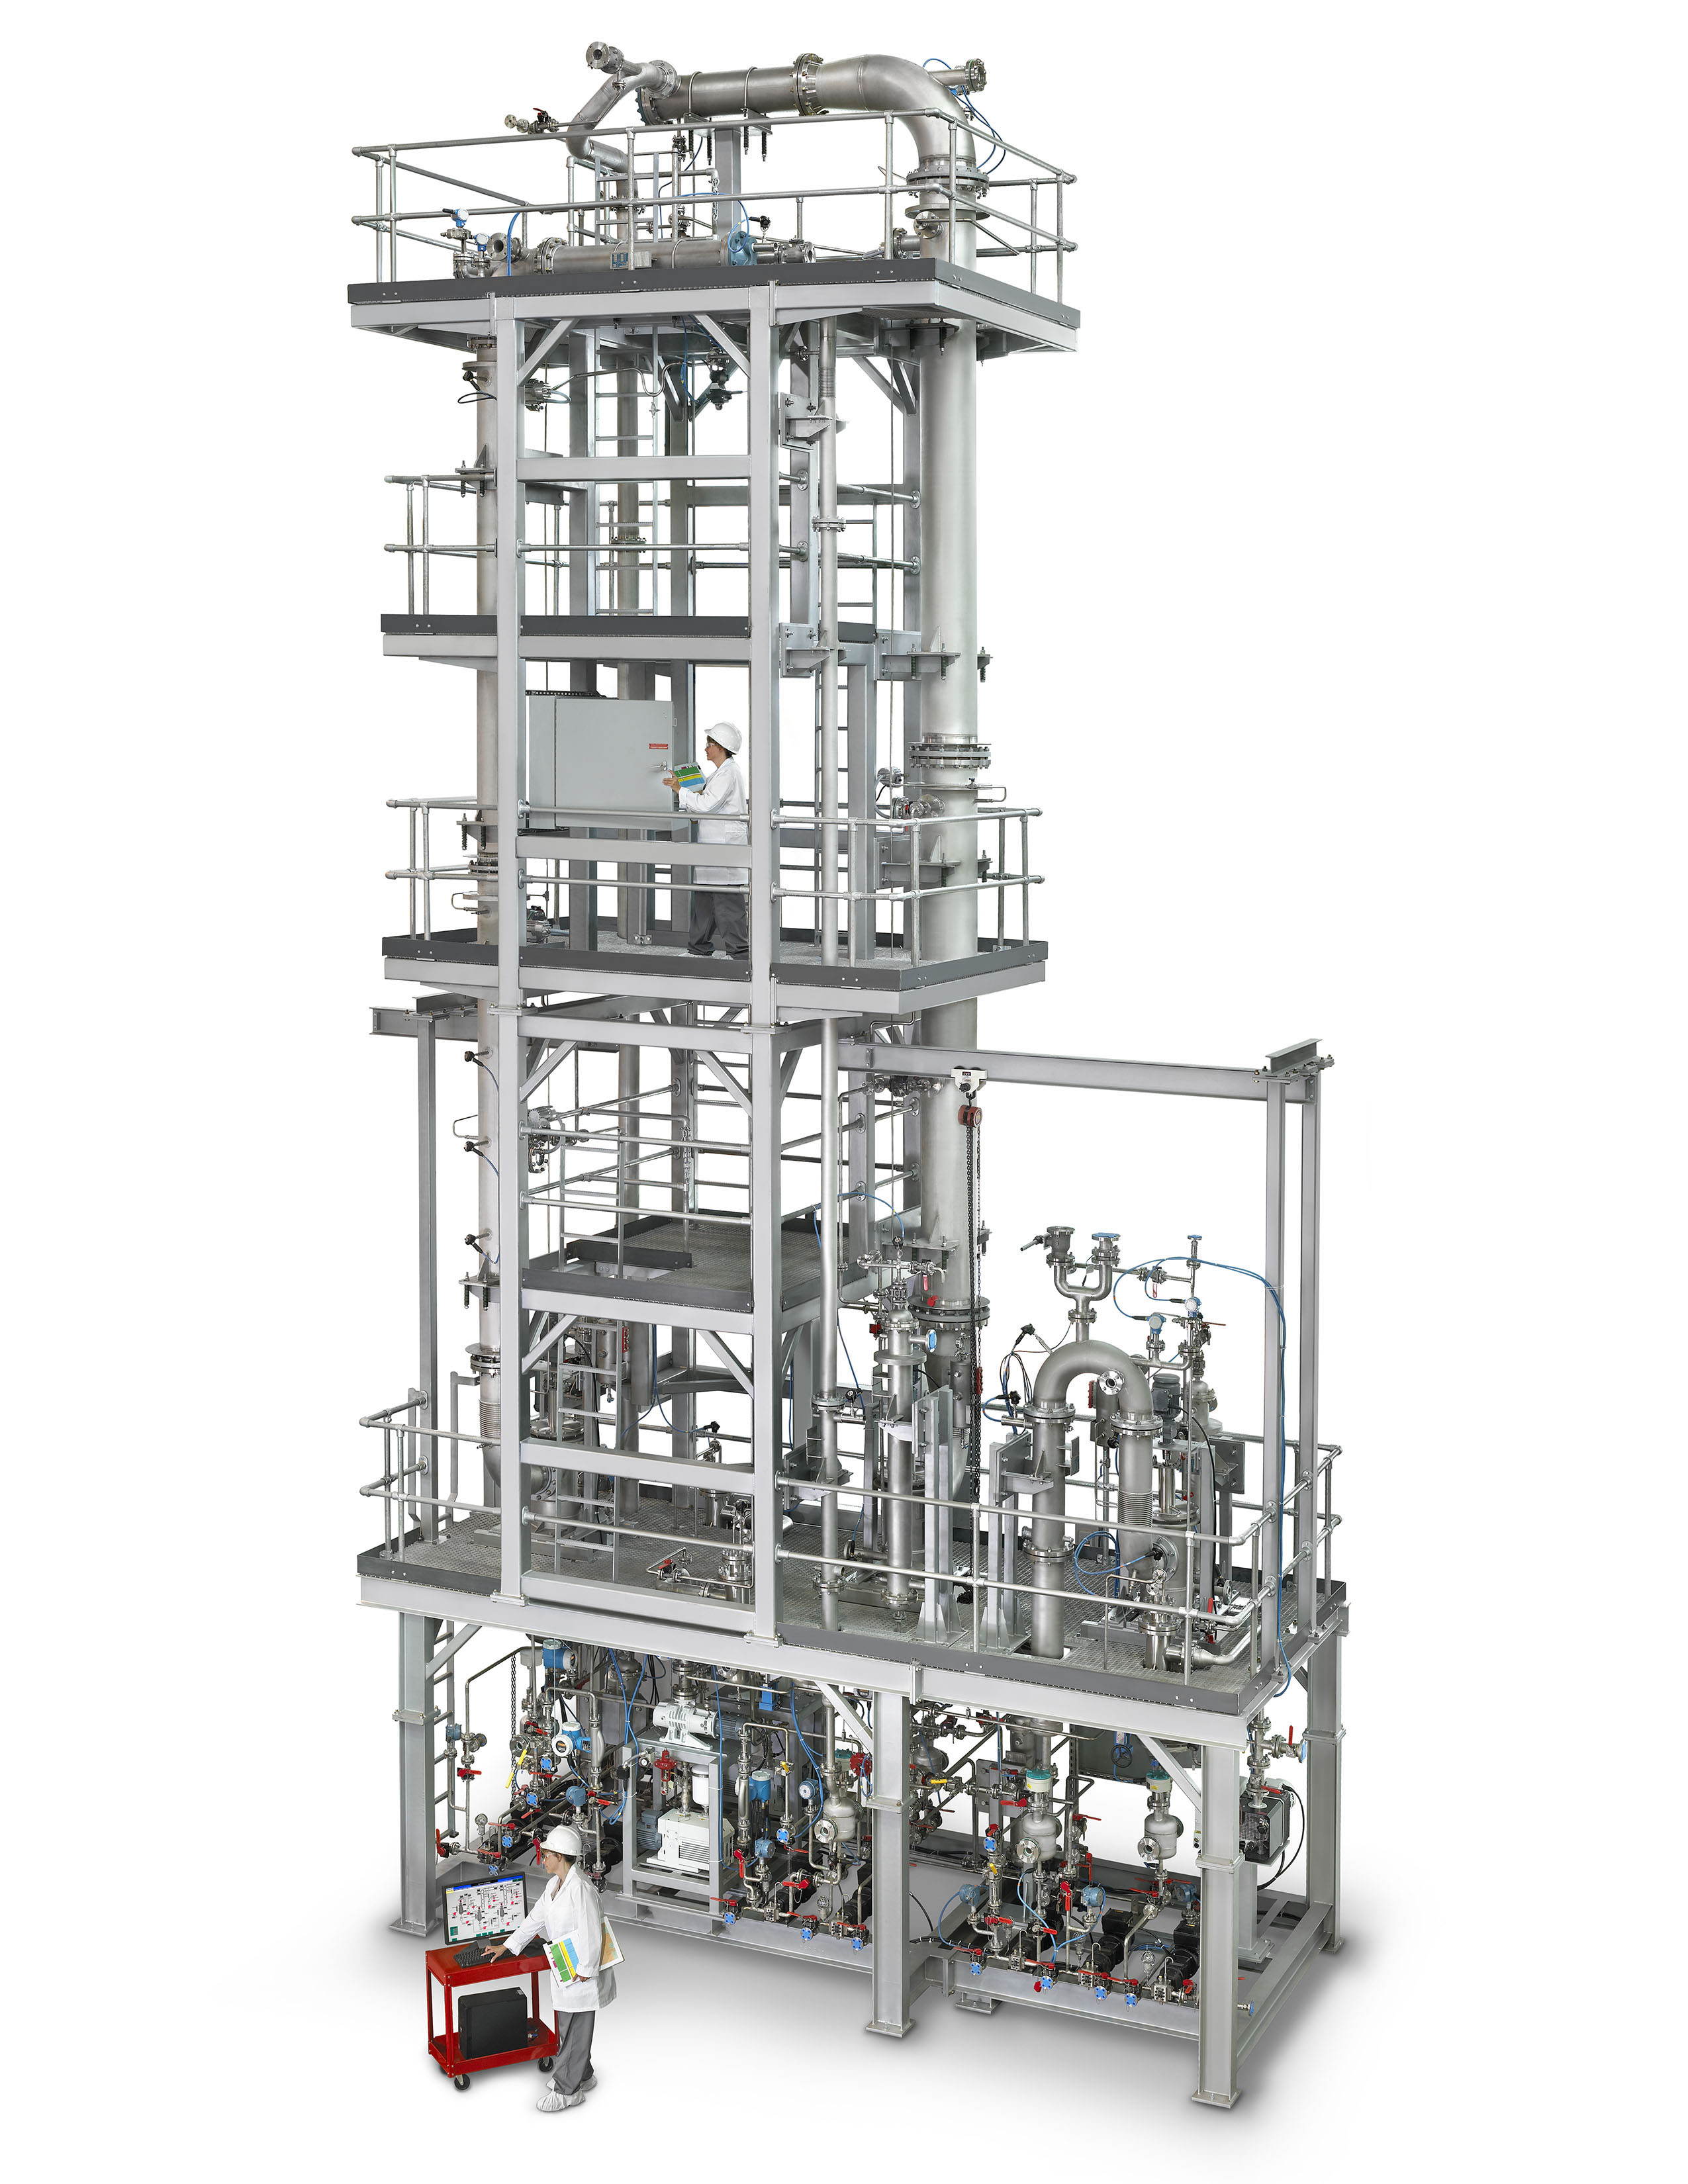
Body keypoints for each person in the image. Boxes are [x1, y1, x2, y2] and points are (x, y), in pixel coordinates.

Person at [495, 1823, 603, 2113]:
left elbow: (592, 1929)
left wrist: (587, 1968)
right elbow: (535, 1919)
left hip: (580, 1970)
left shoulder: (580, 1888)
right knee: (568, 2026)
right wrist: (508, 1945)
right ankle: (583, 2075)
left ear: (560, 1856)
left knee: (575, 2028)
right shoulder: (554, 1885)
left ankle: (568, 2091)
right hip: (565, 1965)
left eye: (546, 1855)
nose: (542, 1859)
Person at [663, 722, 748, 960]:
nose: (706, 749)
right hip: (713, 849)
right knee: (705, 903)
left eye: (709, 744)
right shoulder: (718, 775)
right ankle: (698, 949)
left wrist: (680, 790)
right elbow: (706, 805)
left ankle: (739, 954)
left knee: (727, 905)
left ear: (721, 747)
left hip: (724, 850)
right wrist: (690, 802)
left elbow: (707, 804)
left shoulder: (728, 774)